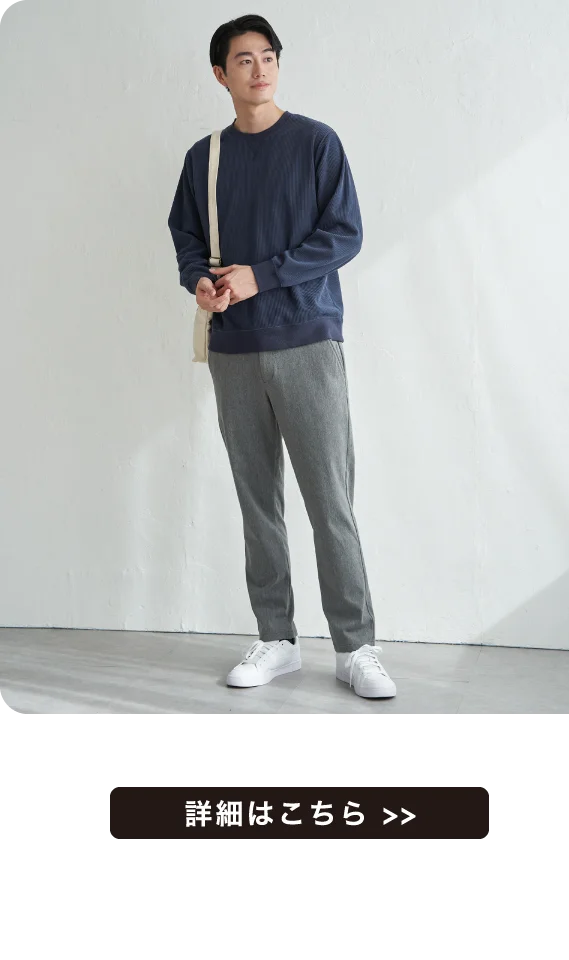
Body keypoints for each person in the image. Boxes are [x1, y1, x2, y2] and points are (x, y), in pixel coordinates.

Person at [168, 15, 396, 699]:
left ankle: (356, 646)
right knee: (257, 503)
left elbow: (344, 234)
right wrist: (199, 280)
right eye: (244, 60)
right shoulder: (204, 158)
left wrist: (260, 276)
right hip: (234, 349)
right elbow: (186, 237)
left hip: (308, 343)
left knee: (331, 501)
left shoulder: (316, 143)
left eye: (268, 56)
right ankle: (278, 637)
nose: (260, 69)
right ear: (220, 74)